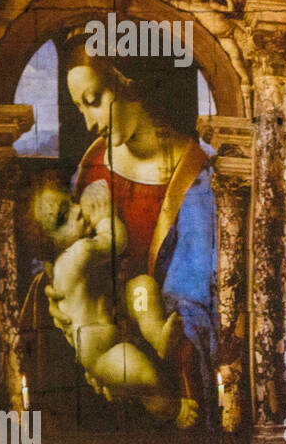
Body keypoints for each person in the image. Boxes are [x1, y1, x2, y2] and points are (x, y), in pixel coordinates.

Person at [42, 30, 214, 428]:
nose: (88, 122)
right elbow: (63, 243)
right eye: (80, 108)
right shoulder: (93, 162)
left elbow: (197, 285)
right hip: (100, 339)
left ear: (130, 83)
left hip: (158, 343)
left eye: (94, 102)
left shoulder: (191, 173)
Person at [31, 177, 178, 416]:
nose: (79, 211)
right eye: (63, 218)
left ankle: (157, 333)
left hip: (115, 315)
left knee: (141, 288)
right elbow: (116, 242)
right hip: (101, 353)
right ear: (50, 245)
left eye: (72, 202)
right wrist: (104, 218)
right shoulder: (79, 253)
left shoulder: (72, 258)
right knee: (143, 372)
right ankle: (169, 408)